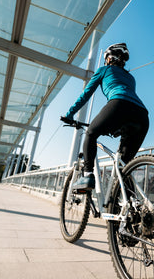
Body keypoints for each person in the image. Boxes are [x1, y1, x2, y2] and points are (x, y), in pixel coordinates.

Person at [61, 43, 149, 191]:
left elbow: (85, 95)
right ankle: (131, 207)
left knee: (91, 134)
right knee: (124, 166)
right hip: (142, 115)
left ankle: (88, 175)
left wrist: (69, 114)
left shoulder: (104, 69)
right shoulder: (131, 78)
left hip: (118, 104)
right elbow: (129, 101)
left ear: (108, 58)